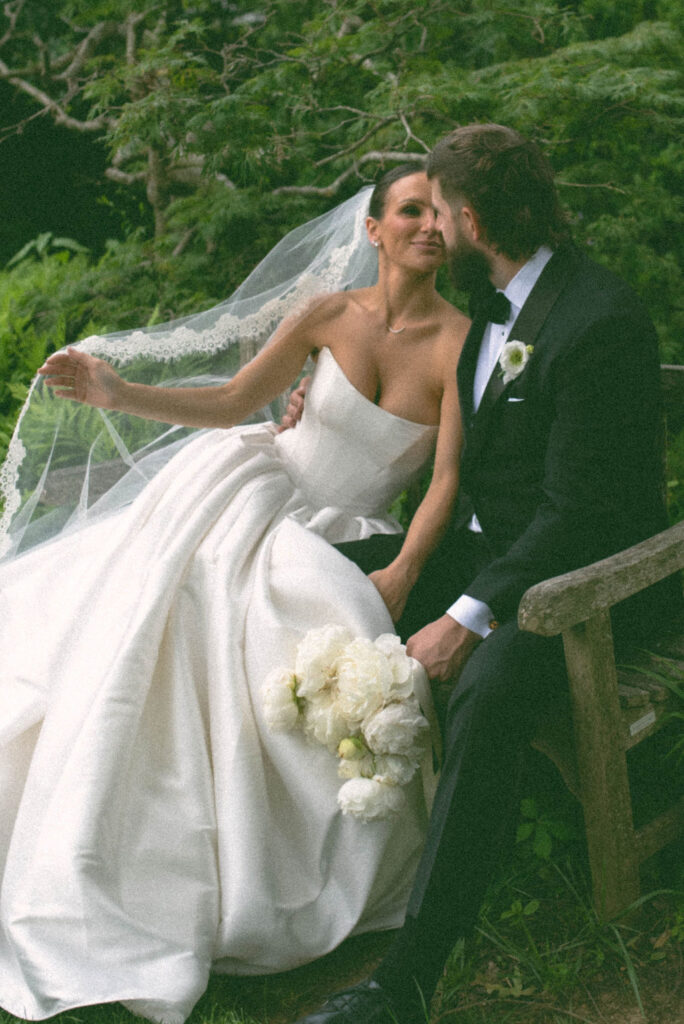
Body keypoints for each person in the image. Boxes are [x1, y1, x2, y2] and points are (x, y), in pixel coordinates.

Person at [0, 167, 470, 1024]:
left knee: (328, 608)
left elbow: (444, 480)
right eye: (411, 210)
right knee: (181, 608)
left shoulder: (460, 342)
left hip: (348, 530)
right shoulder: (330, 315)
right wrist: (118, 393)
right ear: (373, 230)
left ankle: (273, 871)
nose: (429, 225)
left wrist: (404, 569)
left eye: (440, 212)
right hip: (256, 480)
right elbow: (230, 400)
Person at [290, 124, 670, 1024]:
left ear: (468, 218)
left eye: (440, 215)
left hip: (589, 583)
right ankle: (313, 875)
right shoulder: (485, 312)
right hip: (490, 553)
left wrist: (470, 614)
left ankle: (406, 980)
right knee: (310, 586)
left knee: (490, 691)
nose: (434, 233)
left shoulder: (600, 319)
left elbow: (581, 512)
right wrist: (312, 394)